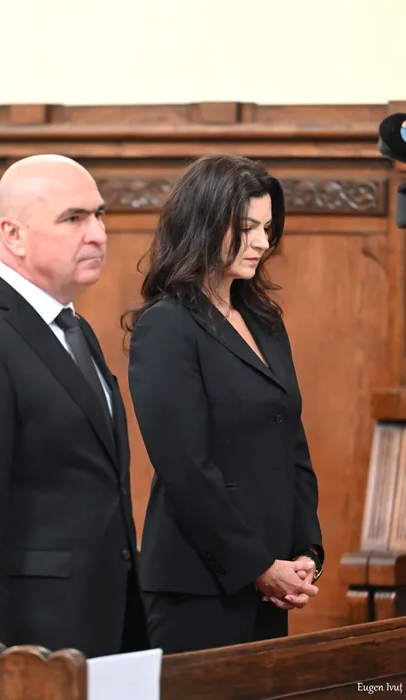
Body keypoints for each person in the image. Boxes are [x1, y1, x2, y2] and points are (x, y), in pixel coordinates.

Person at [0, 154, 149, 699]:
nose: (98, 234)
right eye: (73, 218)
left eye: (99, 215)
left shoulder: (75, 329)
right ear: (13, 234)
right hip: (24, 652)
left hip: (101, 632)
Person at [124, 154, 324, 654]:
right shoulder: (167, 325)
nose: (262, 242)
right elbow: (185, 467)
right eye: (247, 227)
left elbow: (292, 444)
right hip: (198, 584)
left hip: (272, 576)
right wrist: (257, 566)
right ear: (203, 224)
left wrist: (306, 550)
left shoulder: (265, 321)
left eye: (267, 228)